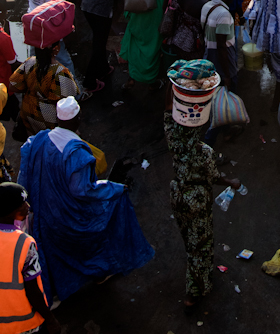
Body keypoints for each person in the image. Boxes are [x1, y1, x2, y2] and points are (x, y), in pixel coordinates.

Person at [18, 96, 154, 303]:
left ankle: (54, 291)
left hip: (45, 214)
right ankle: (99, 273)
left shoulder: (39, 139)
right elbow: (82, 190)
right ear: (78, 118)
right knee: (93, 239)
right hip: (67, 217)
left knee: (54, 254)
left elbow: (24, 175)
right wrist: (113, 188)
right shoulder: (76, 152)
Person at [164, 78, 240, 315]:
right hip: (196, 199)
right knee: (201, 246)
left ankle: (198, 277)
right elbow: (214, 177)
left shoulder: (173, 138)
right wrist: (232, 182)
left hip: (177, 193)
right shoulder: (204, 152)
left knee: (190, 239)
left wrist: (175, 84)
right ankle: (193, 291)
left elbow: (168, 109)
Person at [0, 182, 61, 334]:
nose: (28, 206)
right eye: (22, 203)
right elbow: (32, 290)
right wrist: (50, 318)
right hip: (25, 325)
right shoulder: (24, 243)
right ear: (10, 211)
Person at [73, 0, 118, 96]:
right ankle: (89, 81)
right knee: (99, 42)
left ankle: (104, 68)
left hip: (87, 6)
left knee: (99, 38)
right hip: (102, 8)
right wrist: (117, 8)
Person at [10, 42, 79, 136]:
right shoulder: (61, 73)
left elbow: (13, 86)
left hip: (28, 110)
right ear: (56, 49)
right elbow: (67, 103)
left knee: (34, 139)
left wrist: (33, 89)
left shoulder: (30, 62)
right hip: (48, 118)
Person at [200, 0, 243, 88]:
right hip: (223, 62)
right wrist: (227, 75)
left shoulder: (206, 6)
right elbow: (221, 46)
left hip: (208, 57)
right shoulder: (224, 14)